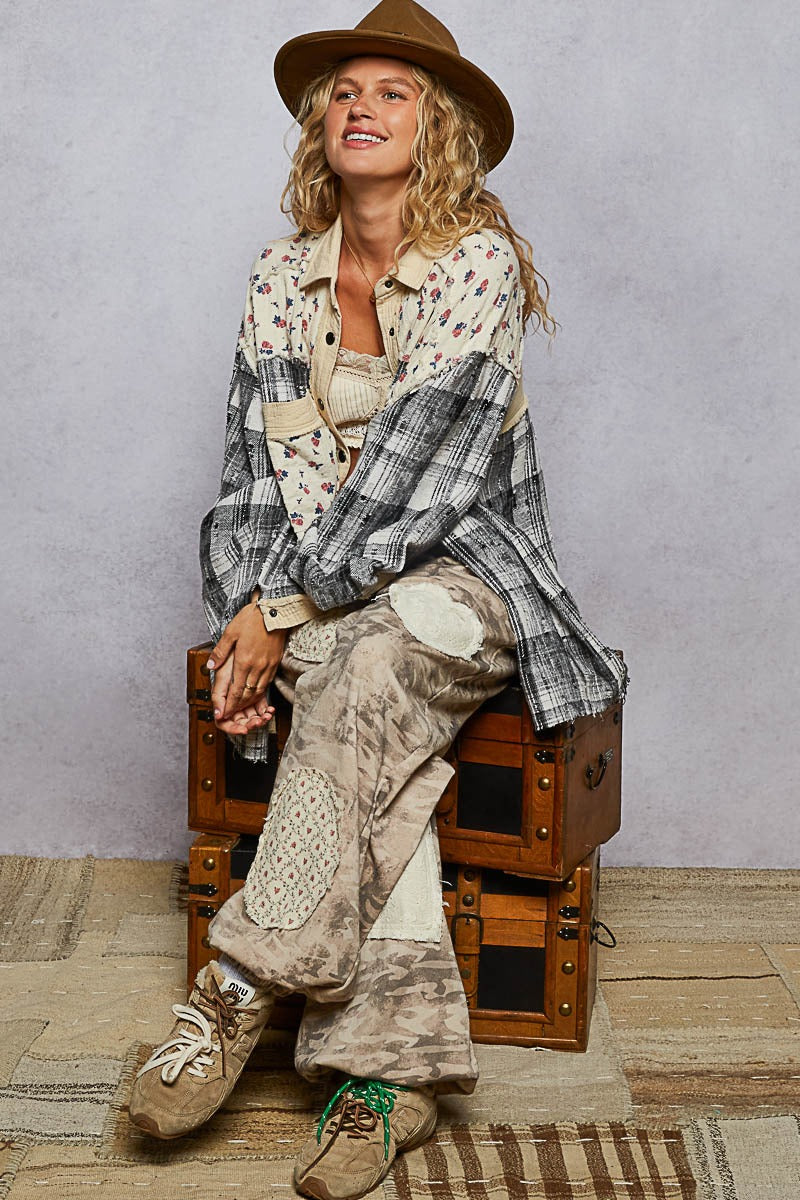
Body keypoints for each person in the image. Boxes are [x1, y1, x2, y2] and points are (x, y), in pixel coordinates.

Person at [128, 2, 629, 1196]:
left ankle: (235, 990)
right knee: (364, 722)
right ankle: (388, 1082)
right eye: (343, 90)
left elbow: (416, 495)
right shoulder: (275, 277)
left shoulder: (475, 266)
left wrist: (274, 622)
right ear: (318, 124)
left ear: (438, 127)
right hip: (327, 611)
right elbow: (249, 478)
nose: (362, 106)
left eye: (393, 92)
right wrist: (242, 614)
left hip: (469, 582)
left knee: (351, 668)